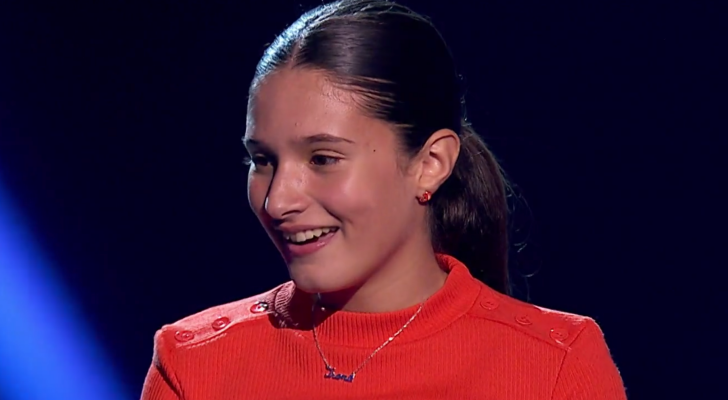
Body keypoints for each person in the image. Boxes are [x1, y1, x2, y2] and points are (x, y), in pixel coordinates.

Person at [140, 0, 627, 398]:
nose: (277, 201)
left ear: (430, 163)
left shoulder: (555, 367)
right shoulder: (194, 364)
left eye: (323, 158)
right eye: (262, 160)